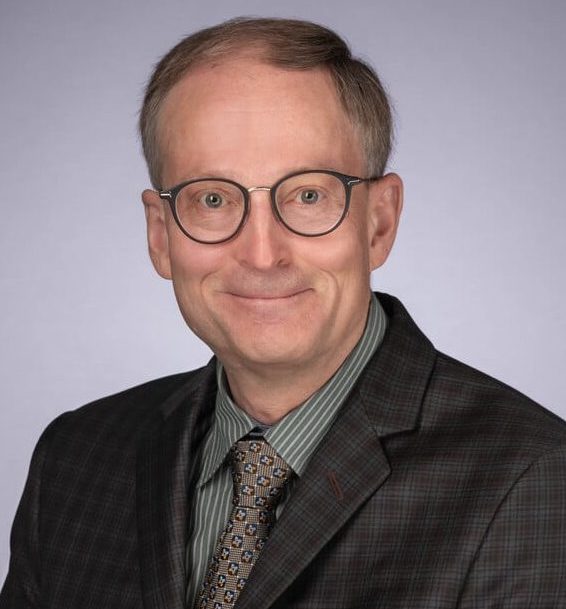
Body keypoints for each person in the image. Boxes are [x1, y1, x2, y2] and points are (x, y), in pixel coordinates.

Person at [1, 16, 565, 609]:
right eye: (213, 199)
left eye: (309, 195)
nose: (262, 254)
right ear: (161, 234)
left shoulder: (531, 482)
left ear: (379, 222)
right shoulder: (77, 458)